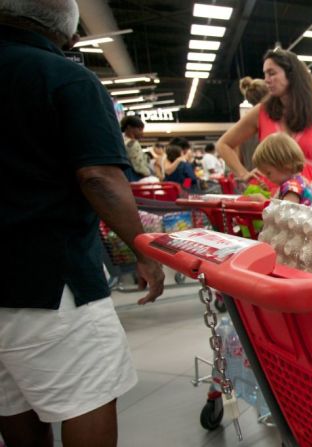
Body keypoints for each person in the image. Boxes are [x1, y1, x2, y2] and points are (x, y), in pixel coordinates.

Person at [0, 1, 165, 446]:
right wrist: (143, 249)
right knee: (87, 396)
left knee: (13, 402)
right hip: (52, 278)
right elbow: (98, 176)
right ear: (70, 34)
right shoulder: (65, 77)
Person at [216, 48, 312, 183]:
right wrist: (243, 174)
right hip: (269, 199)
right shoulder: (261, 112)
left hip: (305, 199)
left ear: (291, 75)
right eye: (265, 74)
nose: (267, 80)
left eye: (271, 73)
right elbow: (223, 144)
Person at [251, 132, 312, 205]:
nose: (267, 178)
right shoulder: (301, 181)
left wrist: (264, 202)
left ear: (286, 166)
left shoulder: (292, 188)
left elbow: (285, 212)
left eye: (268, 173)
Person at [238, 76, 270, 171]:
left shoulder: (242, 126)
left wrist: (243, 174)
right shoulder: (272, 122)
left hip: (252, 180)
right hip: (270, 180)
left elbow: (240, 158)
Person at [120, 115, 151, 181]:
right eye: (140, 129)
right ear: (129, 127)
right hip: (134, 178)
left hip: (122, 178)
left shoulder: (120, 141)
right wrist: (148, 175)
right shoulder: (133, 143)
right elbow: (139, 167)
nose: (142, 133)